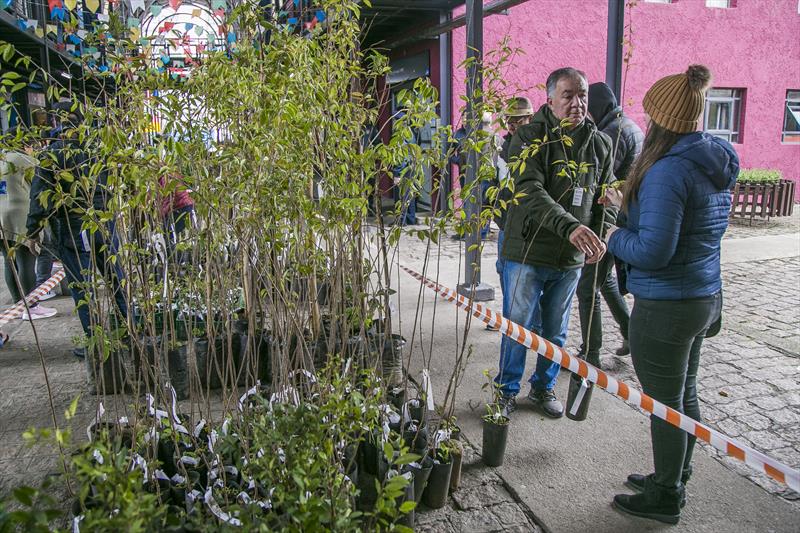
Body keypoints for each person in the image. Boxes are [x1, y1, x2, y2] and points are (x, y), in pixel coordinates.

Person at [602, 65, 737, 524]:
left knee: (665, 404)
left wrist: (614, 234)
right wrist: (630, 203)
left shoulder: (666, 170)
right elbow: (692, 227)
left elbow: (653, 250)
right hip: (703, 295)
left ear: (661, 120)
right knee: (686, 394)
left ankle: (665, 496)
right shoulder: (712, 157)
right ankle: (676, 473)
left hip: (667, 305)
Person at [496, 68, 616, 417]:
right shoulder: (530, 137)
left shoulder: (600, 143)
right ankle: (506, 389)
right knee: (517, 327)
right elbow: (529, 191)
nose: (577, 103)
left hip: (570, 258)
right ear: (550, 99)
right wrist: (571, 228)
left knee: (555, 331)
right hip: (528, 251)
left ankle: (543, 387)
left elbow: (605, 197)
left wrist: (601, 233)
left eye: (582, 95)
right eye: (568, 95)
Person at [26, 101, 128, 358]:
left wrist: (33, 230)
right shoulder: (98, 149)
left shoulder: (53, 154)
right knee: (115, 276)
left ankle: (96, 342)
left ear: (57, 122)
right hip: (105, 222)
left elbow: (40, 196)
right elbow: (118, 181)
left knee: (83, 287)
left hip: (73, 227)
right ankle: (131, 329)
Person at [574, 82, 644, 365]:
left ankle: (591, 353)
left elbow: (601, 181)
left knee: (587, 287)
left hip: (610, 221)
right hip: (625, 220)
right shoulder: (630, 125)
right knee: (606, 282)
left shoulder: (611, 133)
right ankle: (631, 335)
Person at [486, 96, 534, 331]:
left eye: (518, 120)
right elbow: (497, 180)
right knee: (503, 269)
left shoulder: (536, 147)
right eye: (509, 121)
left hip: (527, 225)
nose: (513, 125)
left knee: (524, 277)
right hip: (506, 222)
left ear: (530, 118)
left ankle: (524, 324)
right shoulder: (504, 147)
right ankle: (509, 319)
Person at [0, 141, 58, 321]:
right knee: (26, 259)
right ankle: (31, 306)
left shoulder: (2, 160)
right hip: (21, 215)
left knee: (9, 262)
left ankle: (18, 304)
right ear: (25, 145)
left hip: (2, 215)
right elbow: (40, 187)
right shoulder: (26, 160)